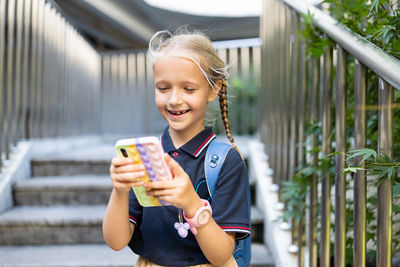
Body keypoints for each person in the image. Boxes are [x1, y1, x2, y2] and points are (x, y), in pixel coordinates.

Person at [103, 27, 250, 267]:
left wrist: (192, 204)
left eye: (188, 88)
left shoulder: (225, 162)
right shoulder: (144, 157)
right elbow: (116, 241)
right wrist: (119, 191)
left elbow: (221, 254)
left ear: (213, 90)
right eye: (163, 88)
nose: (174, 99)